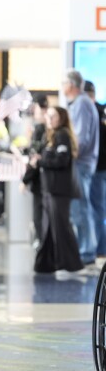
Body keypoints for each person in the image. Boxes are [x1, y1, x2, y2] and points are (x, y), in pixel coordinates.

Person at [28, 106, 84, 275]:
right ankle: (46, 264)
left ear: (61, 118)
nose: (49, 119)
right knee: (49, 227)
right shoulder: (50, 136)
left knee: (61, 227)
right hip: (49, 189)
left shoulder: (62, 135)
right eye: (48, 116)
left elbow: (61, 161)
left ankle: (72, 264)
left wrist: (41, 161)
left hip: (59, 190)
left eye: (54, 116)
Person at [62, 69, 100, 266]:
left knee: (81, 209)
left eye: (64, 83)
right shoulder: (81, 103)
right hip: (84, 163)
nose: (62, 87)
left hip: (81, 164)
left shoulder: (82, 104)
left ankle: (86, 251)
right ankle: (85, 249)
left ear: (72, 84)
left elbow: (81, 138)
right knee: (81, 208)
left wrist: (69, 153)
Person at [22, 94, 48, 248]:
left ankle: (42, 242)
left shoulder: (41, 129)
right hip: (46, 179)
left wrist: (25, 180)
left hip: (41, 180)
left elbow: (35, 157)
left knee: (40, 213)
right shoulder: (43, 128)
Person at [85, 81, 106, 263]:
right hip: (98, 167)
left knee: (97, 210)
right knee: (98, 209)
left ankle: (100, 249)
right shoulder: (99, 110)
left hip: (98, 168)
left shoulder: (94, 112)